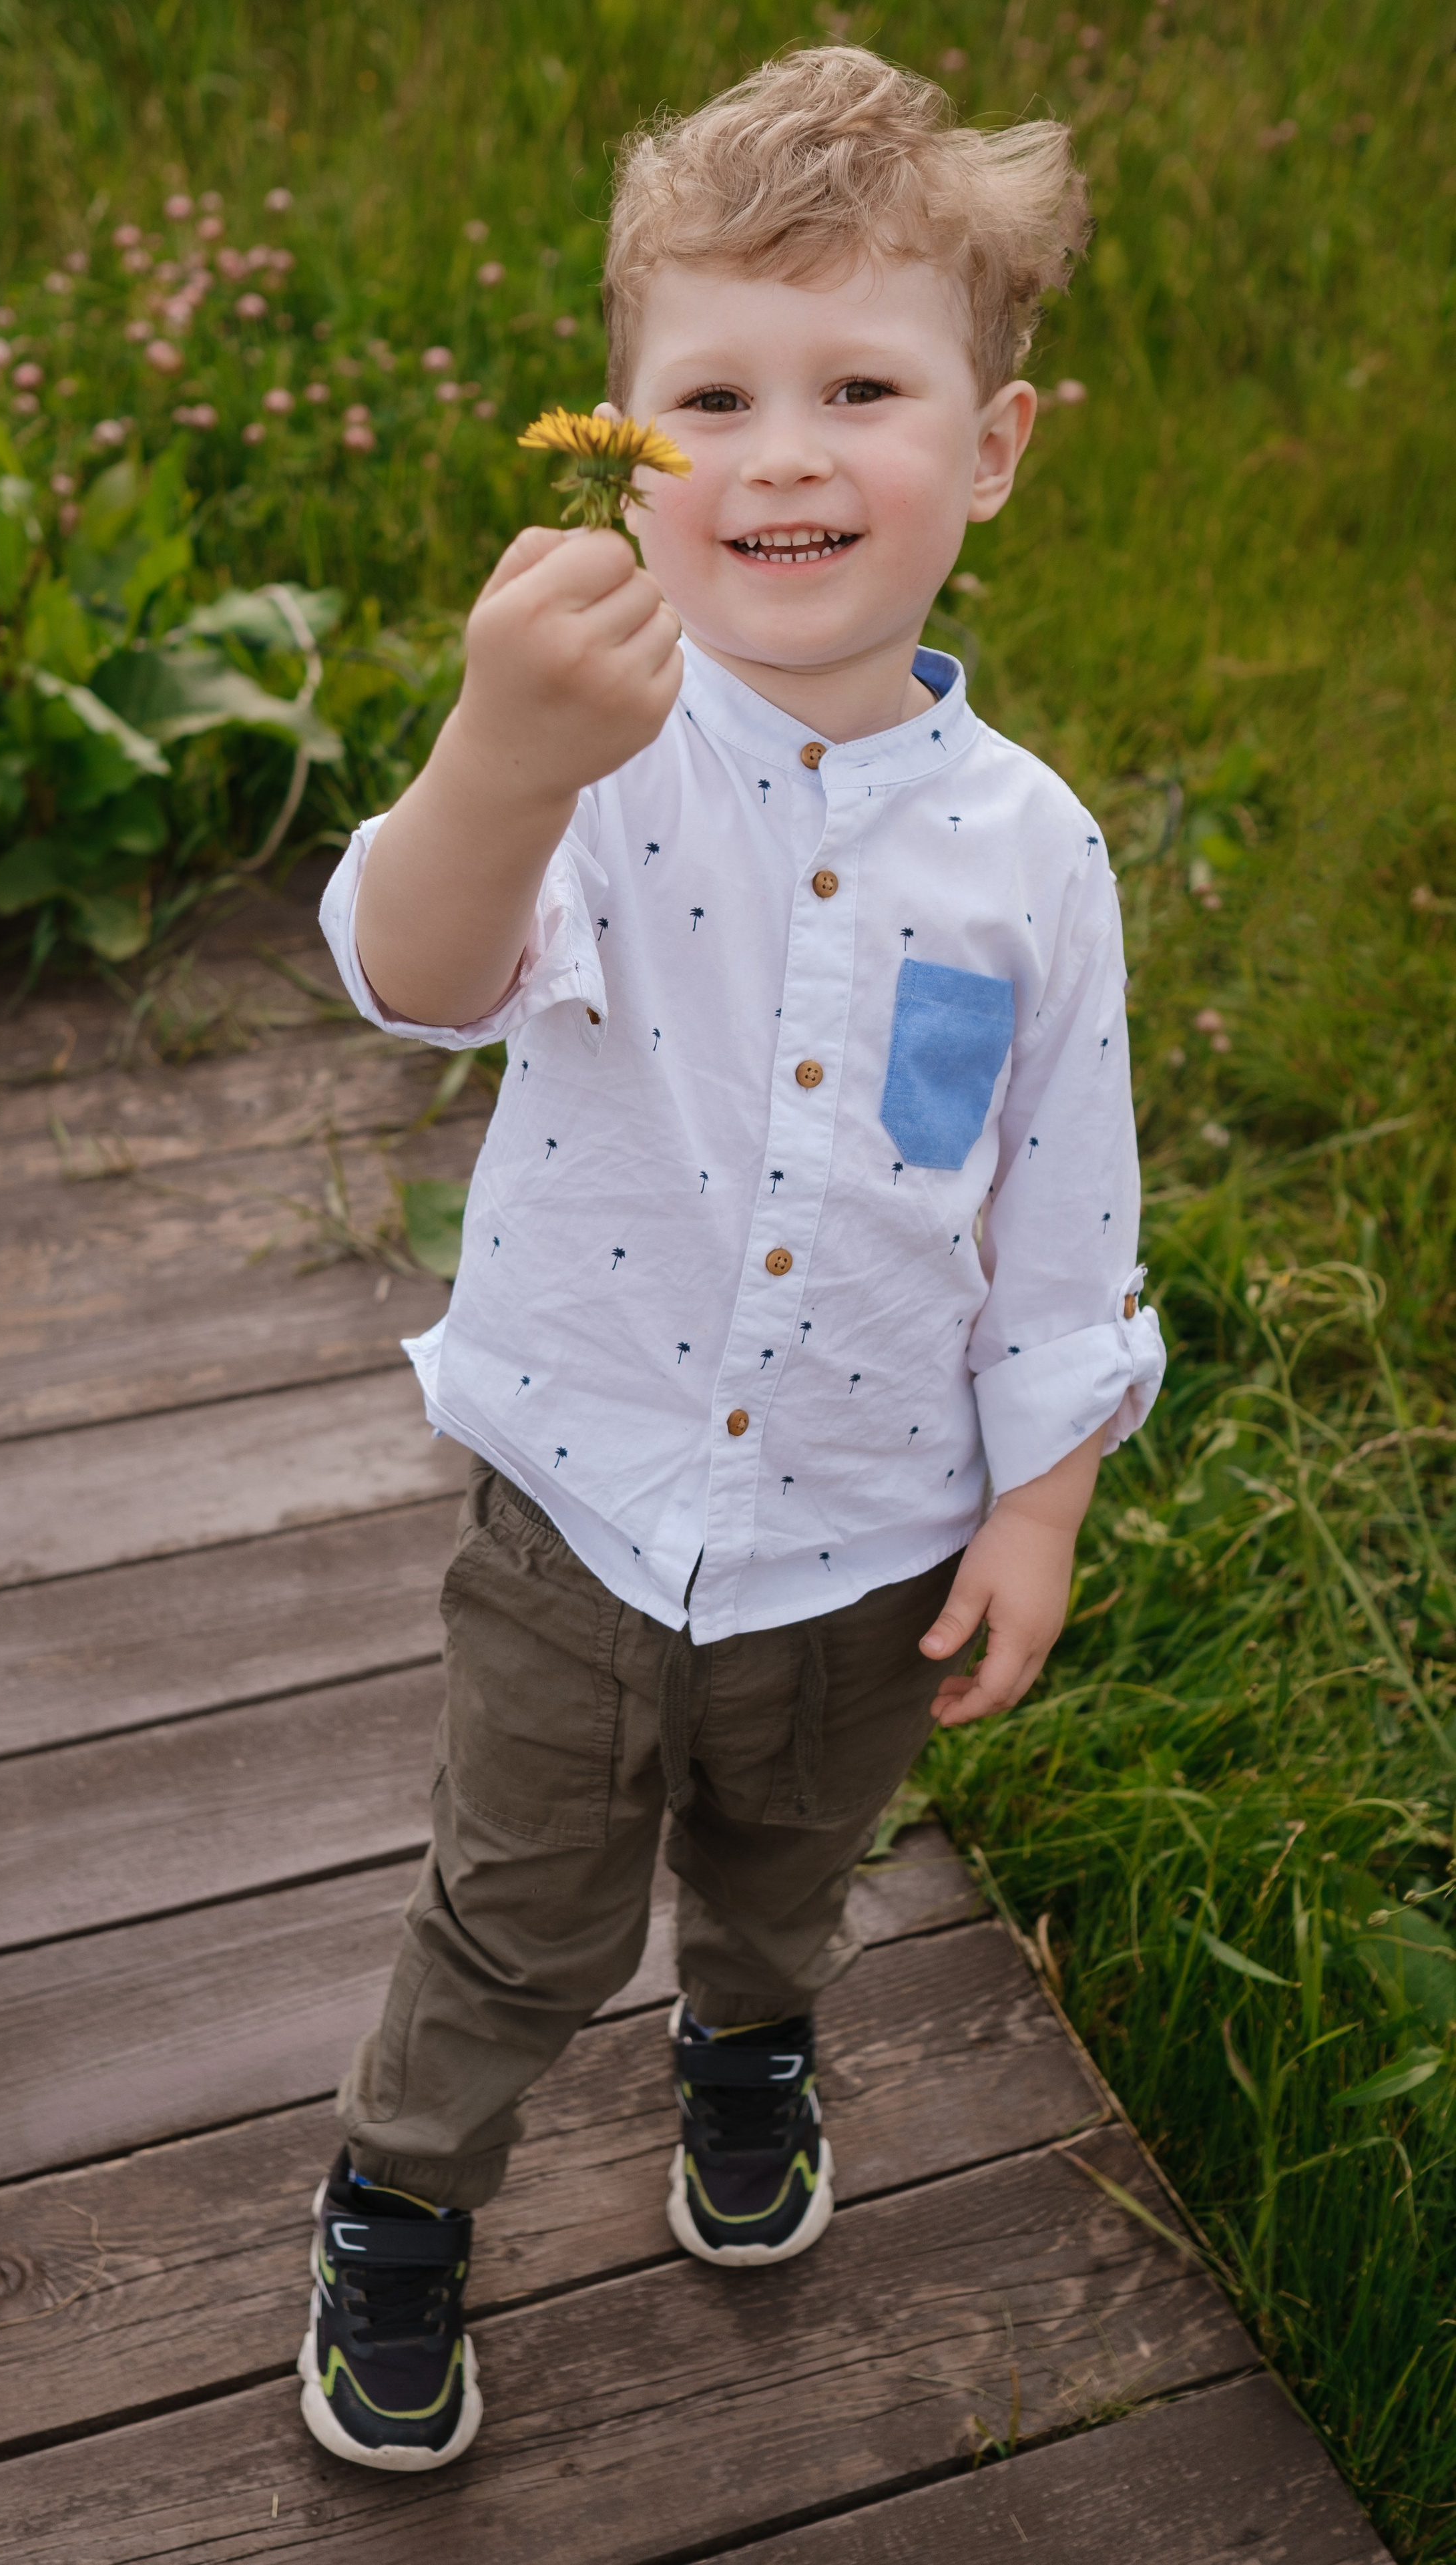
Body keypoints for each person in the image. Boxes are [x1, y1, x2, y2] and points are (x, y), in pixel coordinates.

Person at [300, 43, 1165, 2472]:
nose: (785, 452)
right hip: (585, 1506)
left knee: (787, 1874)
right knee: (517, 1910)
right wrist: (492, 753)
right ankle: (402, 2187)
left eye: (862, 387)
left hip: (868, 1535)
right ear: (628, 441)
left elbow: (1063, 1214)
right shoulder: (599, 746)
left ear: (992, 445)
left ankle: (752, 2044)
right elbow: (416, 963)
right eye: (716, 397)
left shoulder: (1034, 856)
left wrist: (1040, 1499)